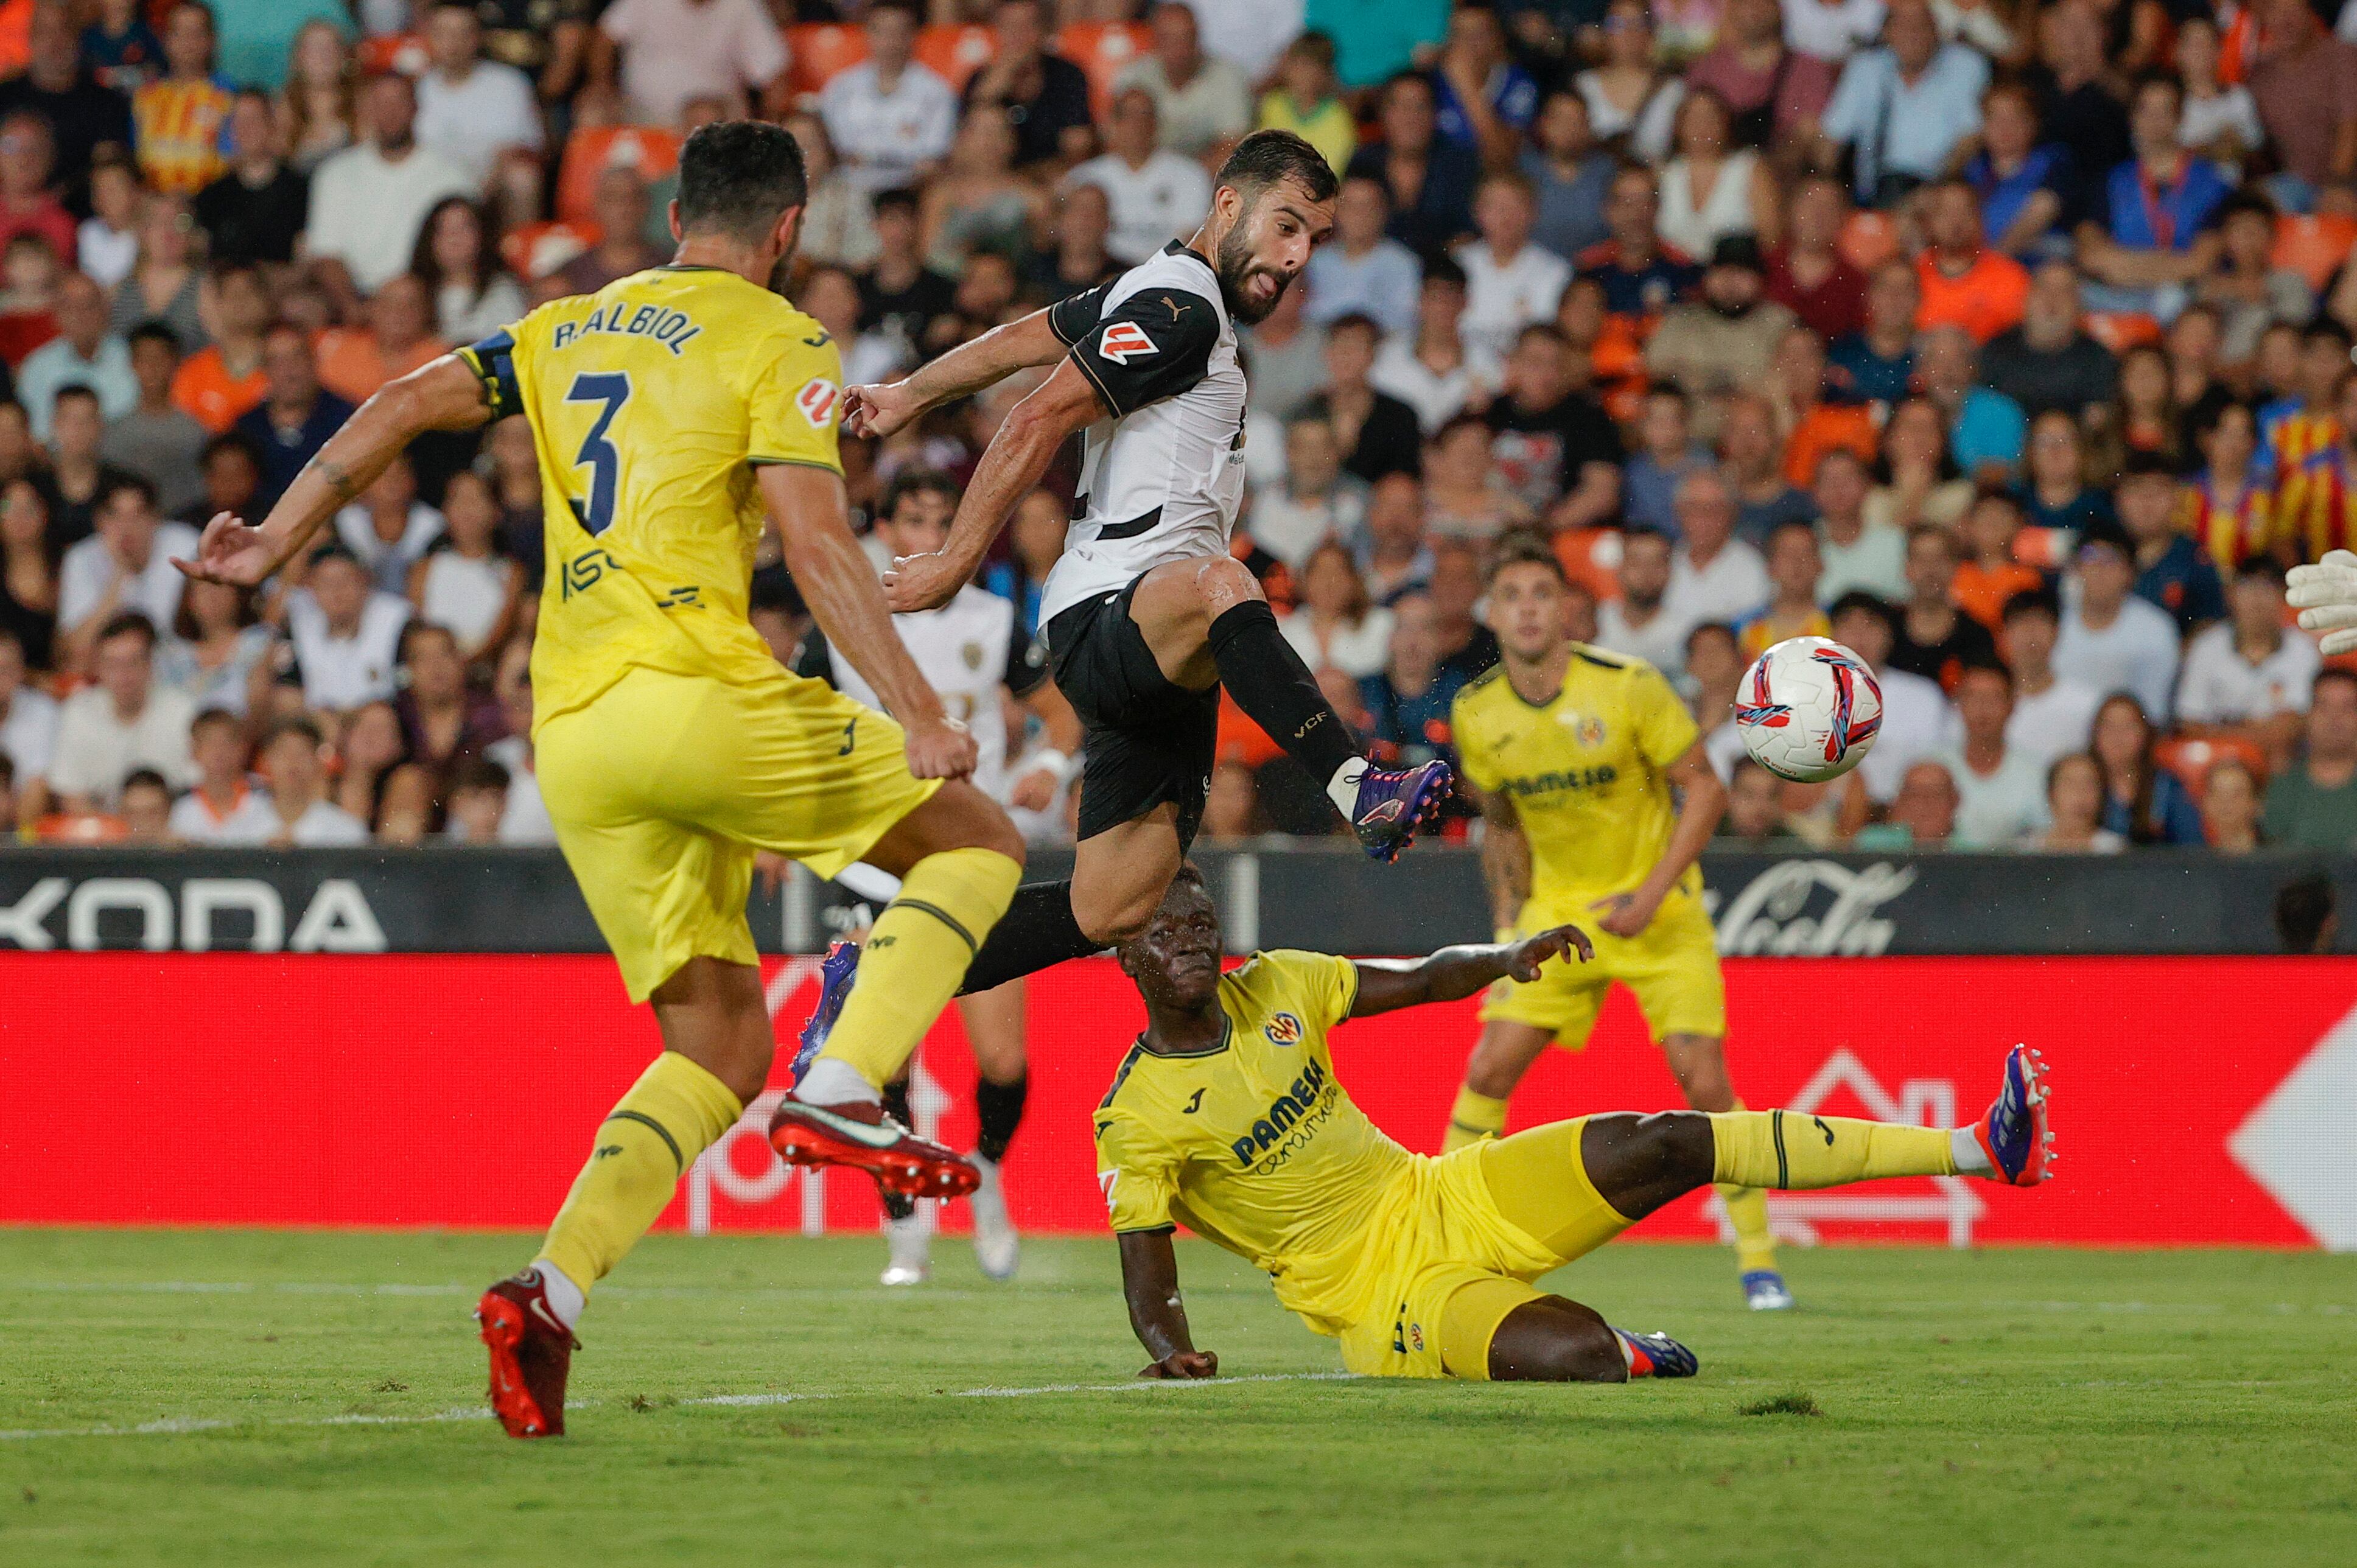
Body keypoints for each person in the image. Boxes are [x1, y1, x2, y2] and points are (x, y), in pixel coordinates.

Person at [169, 122, 1029, 1440]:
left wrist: (278, 537)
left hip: (571, 734)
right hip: (696, 695)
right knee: (978, 842)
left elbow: (402, 400)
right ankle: (852, 1079)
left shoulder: (562, 327)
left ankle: (550, 1291)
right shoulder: (778, 336)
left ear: (676, 212)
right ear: (788, 231)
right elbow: (814, 536)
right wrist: (916, 706)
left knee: (718, 1045)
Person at [844, 130, 1452, 1010]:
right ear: (1229, 205)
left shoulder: (1153, 290)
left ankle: (871, 981)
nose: (1293, 258)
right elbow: (1033, 418)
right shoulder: (1184, 309)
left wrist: (909, 393)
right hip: (1113, 609)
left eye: (1313, 242)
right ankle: (1363, 787)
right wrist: (953, 561)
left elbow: (1024, 338)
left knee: (1112, 904)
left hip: (1154, 644)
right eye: (1286, 227)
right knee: (1222, 582)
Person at [1101, 864, 2053, 1383]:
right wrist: (1166, 1346)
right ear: (1122, 960)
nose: (1191, 944)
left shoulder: (1278, 982)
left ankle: (1977, 1145)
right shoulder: (1135, 1116)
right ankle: (1628, 1348)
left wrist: (1507, 954)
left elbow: (1429, 976)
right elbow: (1146, 1255)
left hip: (1445, 1191)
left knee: (1671, 1136)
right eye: (1164, 934)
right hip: (1379, 1296)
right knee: (1587, 1359)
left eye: (1198, 925)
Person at [1442, 534, 1794, 1314]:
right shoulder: (1477, 712)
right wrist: (1507, 915)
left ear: (1567, 609)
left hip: (1657, 912)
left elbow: (1703, 791)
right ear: (1492, 613)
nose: (1529, 608)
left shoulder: (1628, 685)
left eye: (1543, 593)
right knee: (1488, 1070)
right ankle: (1440, 1242)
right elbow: (1500, 820)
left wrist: (1647, 894)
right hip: (1558, 916)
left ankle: (1758, 1262)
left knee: (1703, 1083)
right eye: (1513, 596)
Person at [796, 470, 1084, 1288]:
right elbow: (791, 729)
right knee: (882, 1060)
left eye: (942, 521)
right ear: (883, 530)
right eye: (912, 518)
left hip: (971, 864)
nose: (927, 535)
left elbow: (1059, 711)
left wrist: (1053, 764)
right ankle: (904, 1229)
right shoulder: (843, 626)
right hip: (873, 859)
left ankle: (987, 1173)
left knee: (1001, 1062)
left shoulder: (993, 620)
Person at [1815, 0, 1989, 206]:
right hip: (1875, 192)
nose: (1912, 33)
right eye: (1902, 25)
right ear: (1886, 32)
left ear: (1937, 30)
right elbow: (1832, 138)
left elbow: (1971, 138)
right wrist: (1824, 185)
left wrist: (1934, 189)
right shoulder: (1865, 68)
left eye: (1920, 25)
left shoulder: (1966, 65)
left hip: (1938, 190)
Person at [44, 608, 194, 810]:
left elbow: (194, 793)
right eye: (113, 664)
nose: (124, 674)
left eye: (134, 662)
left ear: (150, 664)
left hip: (166, 834)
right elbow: (70, 797)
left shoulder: (184, 711)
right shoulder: (78, 712)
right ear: (98, 668)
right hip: (101, 836)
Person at [818, 0, 955, 197]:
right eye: (881, 32)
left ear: (914, 36)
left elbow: (932, 161)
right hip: (846, 192)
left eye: (899, 33)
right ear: (867, 34)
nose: (890, 42)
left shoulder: (937, 92)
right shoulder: (840, 88)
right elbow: (832, 154)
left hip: (909, 196)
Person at [1068, 88, 1214, 268]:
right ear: (1112, 123)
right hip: (1104, 278)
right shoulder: (1086, 177)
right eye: (1128, 116)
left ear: (1156, 123)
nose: (1137, 125)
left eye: (1145, 116)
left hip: (1164, 275)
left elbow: (1193, 238)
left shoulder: (1190, 175)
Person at [2056, 529, 2182, 721]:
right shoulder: (2056, 623)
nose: (2099, 568)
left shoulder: (2155, 630)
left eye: (2111, 560)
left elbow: (2154, 712)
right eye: (2090, 557)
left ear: (2130, 574)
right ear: (2076, 569)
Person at [958, 0, 1094, 170]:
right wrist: (990, 92)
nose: (1018, 36)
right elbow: (964, 150)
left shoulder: (1067, 75)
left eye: (1027, 26)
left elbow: (1078, 145)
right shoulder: (980, 79)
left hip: (1049, 175)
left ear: (1044, 31)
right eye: (1010, 27)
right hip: (993, 176)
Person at [1455, 172, 1570, 368]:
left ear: (1534, 212)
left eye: (1515, 206)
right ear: (1478, 212)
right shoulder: (1458, 264)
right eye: (1495, 207)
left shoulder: (1556, 272)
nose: (1506, 216)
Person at [1116, 1, 1250, 162]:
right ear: (1154, 40)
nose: (1178, 48)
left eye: (1186, 38)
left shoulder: (1228, 76)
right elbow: (1118, 141)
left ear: (1198, 38)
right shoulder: (1133, 78)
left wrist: (1186, 179)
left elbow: (1231, 147)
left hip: (1206, 178)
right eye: (1168, 39)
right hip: (1146, 175)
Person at [1933, 663, 2049, 847]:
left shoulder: (2036, 772)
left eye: (1993, 698)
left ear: (2012, 705)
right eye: (1973, 697)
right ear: (1958, 704)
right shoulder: (1933, 766)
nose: (1982, 708)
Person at [194, 88, 307, 268]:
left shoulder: (300, 191)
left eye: (254, 119)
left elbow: (304, 261)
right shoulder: (212, 196)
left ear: (271, 125)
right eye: (238, 120)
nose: (246, 128)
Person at [103, 323, 206, 516]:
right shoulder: (112, 432)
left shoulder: (196, 432)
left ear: (176, 363)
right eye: (144, 359)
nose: (152, 367)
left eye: (160, 358)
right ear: (132, 364)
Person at [1303, 175, 1419, 338]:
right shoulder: (1315, 262)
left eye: (1368, 206)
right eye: (1350, 206)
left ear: (1384, 211)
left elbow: (1403, 326)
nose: (1359, 215)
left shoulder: (1403, 263)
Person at [1999, 587, 2102, 771]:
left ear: (2057, 633)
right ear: (2004, 635)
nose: (2031, 634)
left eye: (2040, 622)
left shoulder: (2086, 704)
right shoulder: (1989, 706)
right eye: (2021, 623)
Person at [2255, 667, 2357, 850]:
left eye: (2347, 707)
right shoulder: (2283, 786)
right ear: (2309, 715)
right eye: (2324, 707)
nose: (2335, 718)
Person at [2089, 690, 2205, 845]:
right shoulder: (2082, 782)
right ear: (2095, 734)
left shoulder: (2166, 786)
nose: (2118, 737)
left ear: (2145, 733)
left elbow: (2192, 846)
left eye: (2128, 727)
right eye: (2109, 727)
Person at [1662, 469, 1770, 632]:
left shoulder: (1750, 565)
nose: (1703, 518)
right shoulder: (1664, 560)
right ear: (1678, 513)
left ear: (1731, 513)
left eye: (1714, 508)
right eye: (1694, 507)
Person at [1594, 527, 1689, 677]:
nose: (1647, 572)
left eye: (1657, 563)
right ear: (1619, 569)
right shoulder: (1596, 620)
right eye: (1636, 563)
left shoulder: (1686, 631)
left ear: (1670, 571)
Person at [2031, 751, 2125, 853]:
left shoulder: (2115, 849)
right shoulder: (2027, 849)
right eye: (2070, 785)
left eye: (2089, 785)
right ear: (2051, 794)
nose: (2080, 794)